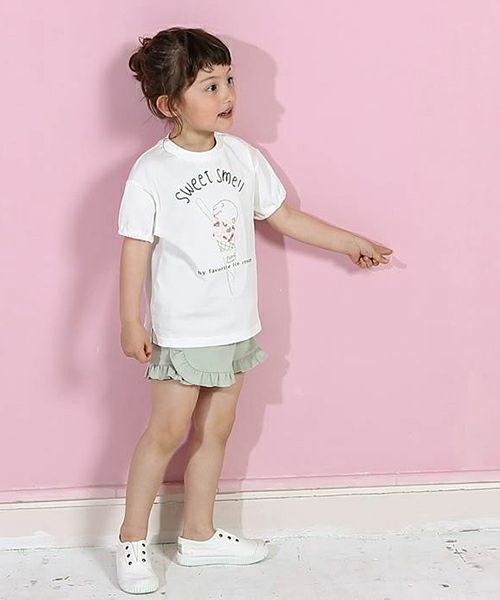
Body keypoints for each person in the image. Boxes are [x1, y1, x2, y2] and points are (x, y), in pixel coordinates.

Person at [115, 26, 393, 594]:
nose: (228, 95)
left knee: (217, 430)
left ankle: (198, 535)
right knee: (165, 433)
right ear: (169, 105)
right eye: (210, 86)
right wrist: (129, 319)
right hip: (183, 332)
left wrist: (350, 241)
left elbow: (283, 217)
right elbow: (135, 248)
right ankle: (131, 538)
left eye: (229, 81)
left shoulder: (243, 157)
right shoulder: (152, 172)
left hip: (235, 324)